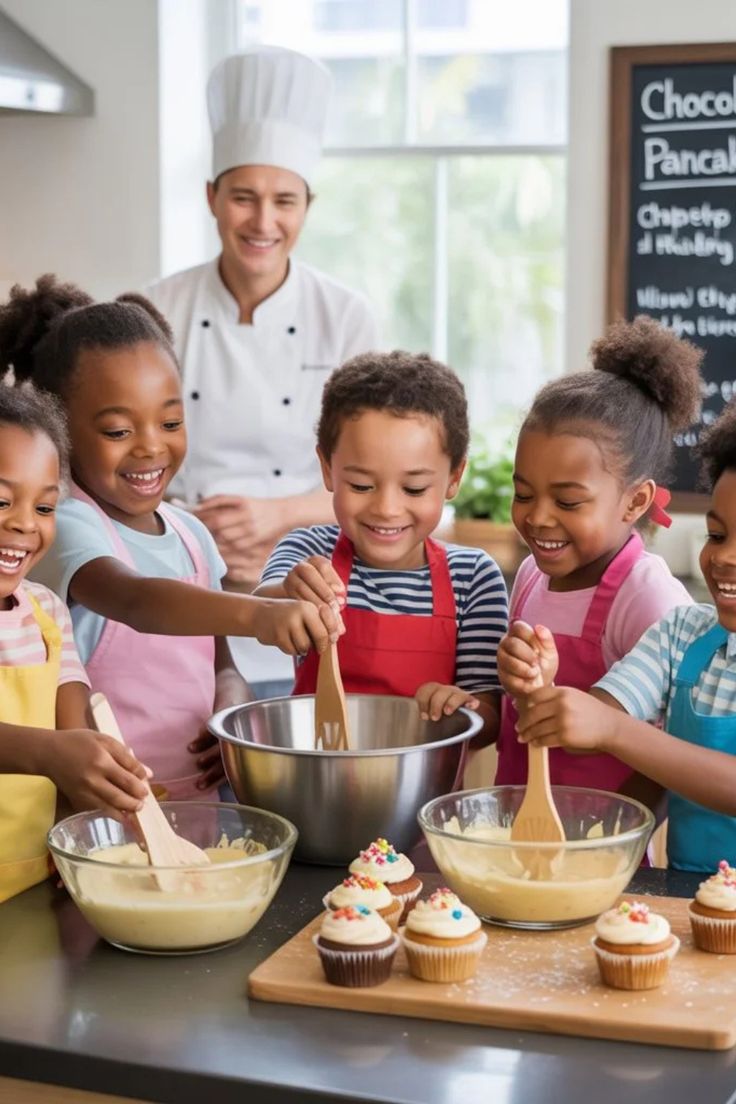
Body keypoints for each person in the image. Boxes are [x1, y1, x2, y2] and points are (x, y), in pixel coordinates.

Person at [1, 275, 341, 802]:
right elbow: (137, 600)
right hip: (100, 811)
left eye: (171, 421)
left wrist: (231, 696)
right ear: (61, 430)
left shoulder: (190, 531)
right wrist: (259, 616)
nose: (150, 448)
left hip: (196, 803)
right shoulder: (68, 521)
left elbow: (217, 656)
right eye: (118, 431)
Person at [145, 46, 378, 698]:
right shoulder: (155, 309)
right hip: (180, 590)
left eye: (284, 200)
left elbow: (375, 473)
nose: (264, 222)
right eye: (244, 197)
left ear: (308, 205)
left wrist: (274, 516)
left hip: (313, 592)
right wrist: (199, 539)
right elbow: (120, 465)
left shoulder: (345, 317)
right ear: (212, 197)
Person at [508, 398, 736, 871]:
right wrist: (540, 685)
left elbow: (612, 729)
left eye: (567, 500)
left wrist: (612, 730)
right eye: (717, 536)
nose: (725, 557)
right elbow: (587, 726)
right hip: (685, 902)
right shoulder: (680, 634)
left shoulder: (648, 594)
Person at [496, 315, 702, 791]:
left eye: (567, 501)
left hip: (600, 847)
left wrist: (609, 840)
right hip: (513, 826)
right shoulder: (530, 574)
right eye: (524, 494)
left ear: (635, 501)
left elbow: (671, 752)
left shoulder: (647, 598)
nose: (538, 518)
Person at [255, 351, 508, 736]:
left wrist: (463, 707)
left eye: (414, 488)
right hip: (311, 785)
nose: (387, 509)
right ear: (327, 469)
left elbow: (490, 717)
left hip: (425, 790)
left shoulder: (473, 578)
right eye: (361, 485)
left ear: (454, 478)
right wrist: (288, 594)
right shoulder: (308, 551)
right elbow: (260, 611)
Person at [0, 384, 152, 903]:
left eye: (44, 508)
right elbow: (55, 750)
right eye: (2, 500)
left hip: (28, 890)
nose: (24, 523)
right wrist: (49, 753)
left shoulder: (46, 613)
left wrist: (108, 791)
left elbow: (73, 739)